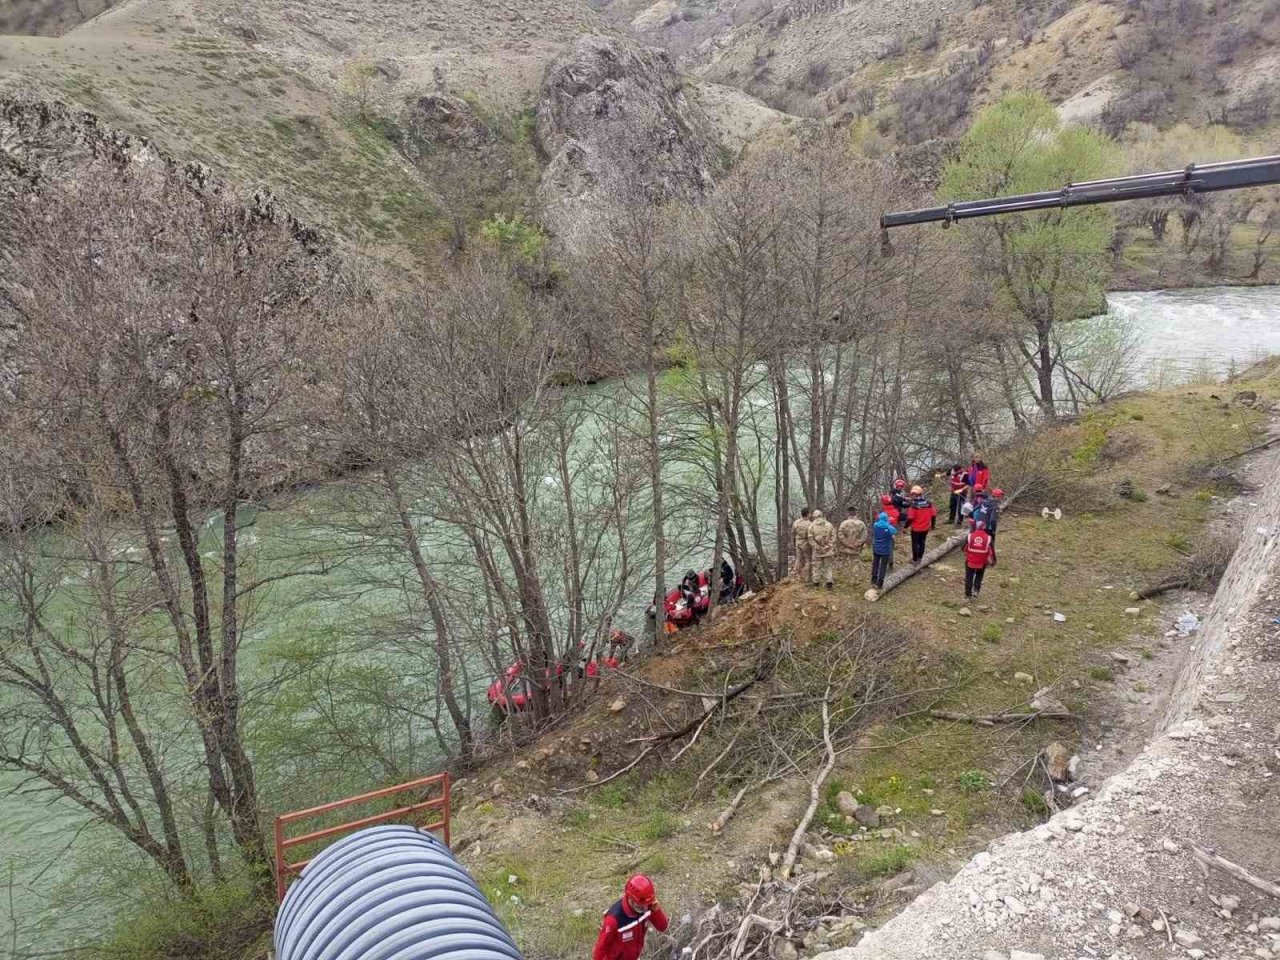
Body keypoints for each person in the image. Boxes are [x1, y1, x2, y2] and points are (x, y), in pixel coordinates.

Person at [594, 874, 669, 960]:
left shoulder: (647, 906)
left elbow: (662, 927)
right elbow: (601, 948)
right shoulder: (613, 920)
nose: (645, 908)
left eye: (647, 905)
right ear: (631, 899)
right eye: (641, 906)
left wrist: (656, 910)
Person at [905, 486, 937, 564]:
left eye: (913, 494)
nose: (912, 495)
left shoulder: (914, 506)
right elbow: (933, 515)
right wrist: (933, 526)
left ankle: (915, 560)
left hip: (916, 528)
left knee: (915, 543)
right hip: (925, 528)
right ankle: (920, 558)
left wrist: (905, 527)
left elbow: (910, 518)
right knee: (922, 542)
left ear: (915, 494)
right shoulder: (928, 503)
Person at [964, 519, 994, 600]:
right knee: (979, 575)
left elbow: (964, 547)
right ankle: (976, 590)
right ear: (984, 527)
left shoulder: (970, 536)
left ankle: (968, 594)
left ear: (976, 527)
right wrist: (993, 562)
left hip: (970, 560)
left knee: (969, 576)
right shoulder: (988, 538)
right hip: (982, 561)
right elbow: (992, 551)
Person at [808, 508, 837, 589]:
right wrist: (828, 546)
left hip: (817, 552)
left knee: (816, 567)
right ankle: (829, 584)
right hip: (828, 551)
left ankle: (816, 585)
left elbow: (810, 539)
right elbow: (834, 537)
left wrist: (818, 548)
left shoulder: (811, 526)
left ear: (814, 517)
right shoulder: (829, 524)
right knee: (828, 567)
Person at [870, 511, 897, 590]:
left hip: (876, 548)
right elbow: (894, 532)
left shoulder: (875, 525)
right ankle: (879, 583)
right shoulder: (889, 528)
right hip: (885, 550)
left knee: (875, 563)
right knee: (883, 566)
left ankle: (874, 578)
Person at [792, 507, 813, 583]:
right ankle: (808, 577)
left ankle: (797, 575)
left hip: (798, 543)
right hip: (806, 543)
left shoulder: (796, 522)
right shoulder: (810, 524)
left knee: (798, 559)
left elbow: (793, 533)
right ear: (807, 514)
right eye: (810, 513)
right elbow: (811, 535)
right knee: (808, 559)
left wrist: (794, 541)